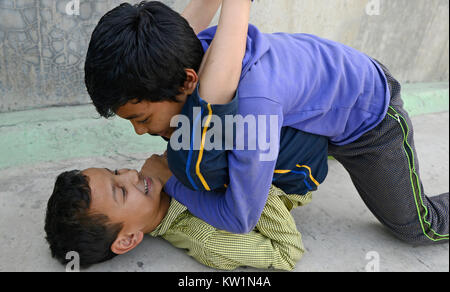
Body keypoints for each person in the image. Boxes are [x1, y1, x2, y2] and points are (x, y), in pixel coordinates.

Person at [84, 0, 448, 244]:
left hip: (370, 119)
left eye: (142, 118)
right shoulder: (178, 53)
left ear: (188, 81)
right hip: (314, 104)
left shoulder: (254, 107)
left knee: (416, 227)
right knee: (196, 144)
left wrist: (170, 181)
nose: (140, 131)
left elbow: (239, 217)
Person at [44, 165, 312, 270]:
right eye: (121, 190)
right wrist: (240, 176)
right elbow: (286, 254)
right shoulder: (206, 238)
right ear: (127, 240)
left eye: (114, 170)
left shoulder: (162, 172)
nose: (130, 174)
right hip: (299, 171)